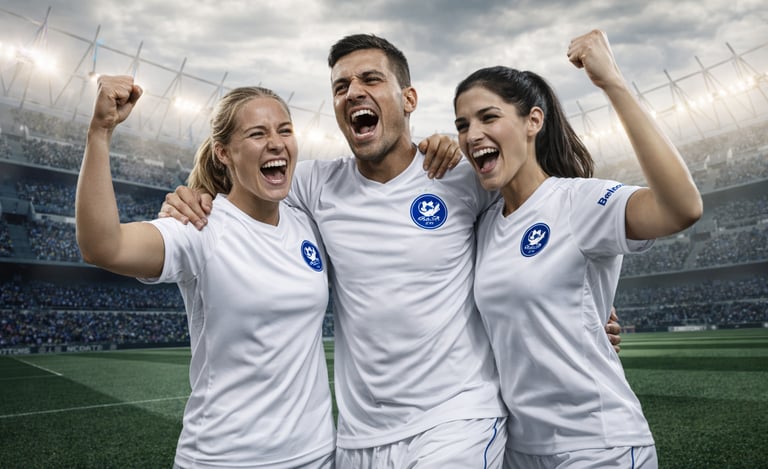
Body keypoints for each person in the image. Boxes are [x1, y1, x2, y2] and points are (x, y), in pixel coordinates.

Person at [161, 34, 623, 468]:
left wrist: (583, 300)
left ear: (409, 99)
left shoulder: (461, 176)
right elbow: (248, 179)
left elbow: (538, 210)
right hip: (360, 436)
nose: (353, 91)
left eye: (371, 79)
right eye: (341, 86)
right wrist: (195, 194)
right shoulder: (315, 185)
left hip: (457, 418)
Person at [453, 30, 703, 468]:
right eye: (462, 125)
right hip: (518, 451)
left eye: (488, 117)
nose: (473, 134)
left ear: (533, 121)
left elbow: (681, 208)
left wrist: (613, 83)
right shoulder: (484, 224)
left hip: (596, 445)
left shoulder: (578, 202)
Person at [75, 76, 336, 468]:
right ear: (223, 153)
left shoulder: (307, 224)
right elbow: (103, 246)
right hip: (226, 458)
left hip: (317, 456)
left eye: (285, 130)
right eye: (257, 134)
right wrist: (100, 132)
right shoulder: (200, 226)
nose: (276, 142)